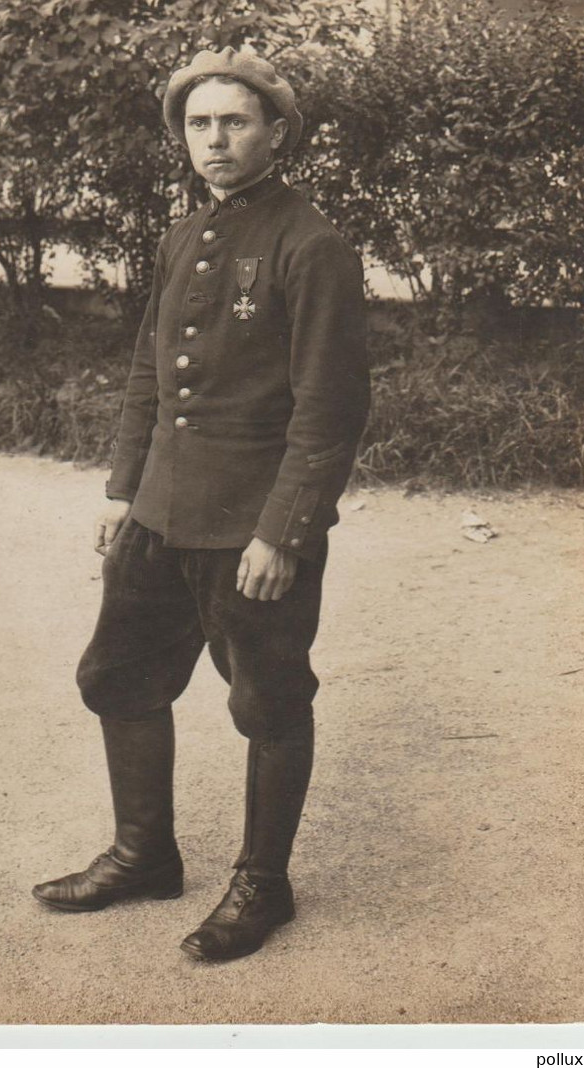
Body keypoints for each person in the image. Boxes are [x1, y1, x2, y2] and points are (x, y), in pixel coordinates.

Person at [32, 46, 370, 962]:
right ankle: (145, 855)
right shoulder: (181, 235)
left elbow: (328, 408)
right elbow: (149, 370)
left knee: (267, 699)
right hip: (161, 513)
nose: (213, 140)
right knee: (117, 677)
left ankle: (264, 882)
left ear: (276, 134)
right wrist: (121, 489)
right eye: (198, 124)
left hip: (250, 526)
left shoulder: (312, 245)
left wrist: (284, 531)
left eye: (234, 122)